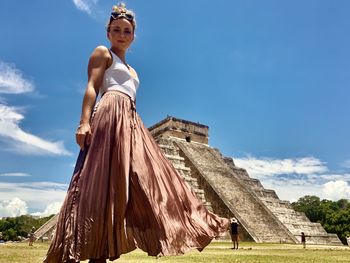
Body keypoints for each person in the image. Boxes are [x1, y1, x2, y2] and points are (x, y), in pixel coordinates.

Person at [44, 3, 230, 263]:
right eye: (117, 30)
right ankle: (94, 251)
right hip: (109, 115)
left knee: (147, 179)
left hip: (130, 122)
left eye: (127, 31)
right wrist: (84, 122)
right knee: (99, 186)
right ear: (108, 32)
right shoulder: (103, 53)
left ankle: (184, 219)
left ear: (133, 36)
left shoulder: (133, 71)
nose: (122, 34)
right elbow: (91, 88)